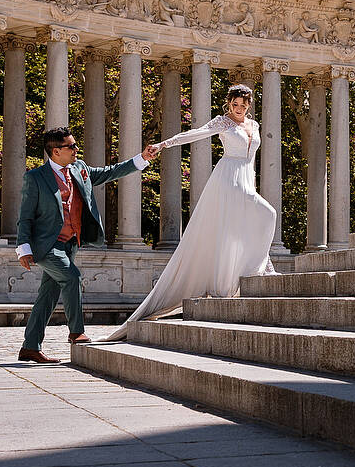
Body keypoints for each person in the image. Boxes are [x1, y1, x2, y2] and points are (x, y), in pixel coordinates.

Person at [101, 85, 276, 342]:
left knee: (252, 223)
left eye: (243, 105)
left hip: (247, 177)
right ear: (229, 104)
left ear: (249, 105)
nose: (238, 109)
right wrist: (164, 144)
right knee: (266, 214)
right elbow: (195, 134)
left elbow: (250, 157)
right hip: (228, 179)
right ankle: (255, 271)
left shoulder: (255, 125)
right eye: (235, 105)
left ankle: (247, 273)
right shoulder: (223, 123)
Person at [16, 127, 160, 363]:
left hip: (70, 244)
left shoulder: (79, 168)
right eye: (71, 146)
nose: (76, 149)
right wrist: (24, 248)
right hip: (46, 246)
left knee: (48, 296)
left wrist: (141, 159)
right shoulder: (35, 178)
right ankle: (76, 332)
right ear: (55, 151)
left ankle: (30, 346)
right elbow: (26, 216)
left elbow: (110, 172)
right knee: (72, 277)